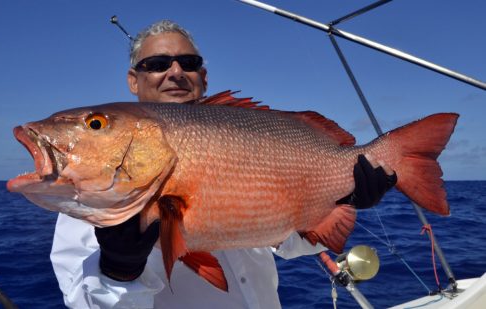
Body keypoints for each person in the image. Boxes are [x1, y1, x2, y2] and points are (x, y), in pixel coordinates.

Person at [50, 20, 396, 308]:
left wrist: (340, 199)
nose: (174, 72)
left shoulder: (245, 134)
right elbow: (83, 302)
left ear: (204, 76)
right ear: (133, 80)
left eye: (188, 62)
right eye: (156, 65)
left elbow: (291, 243)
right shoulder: (95, 196)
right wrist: (118, 268)